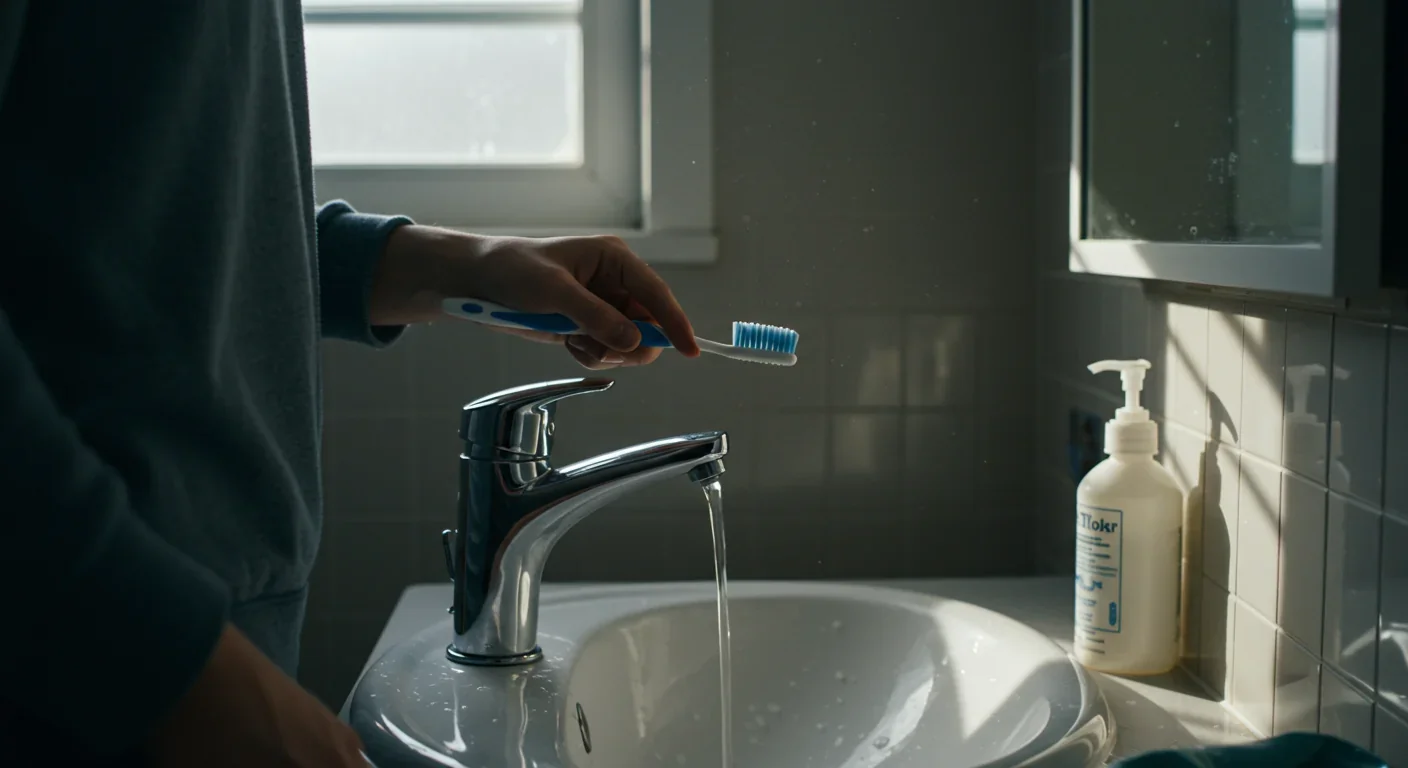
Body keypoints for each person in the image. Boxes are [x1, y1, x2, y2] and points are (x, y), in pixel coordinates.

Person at [0, 3, 698, 765]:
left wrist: (464, 267)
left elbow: (174, 225)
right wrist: (177, 669)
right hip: (86, 669)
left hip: (180, 651)